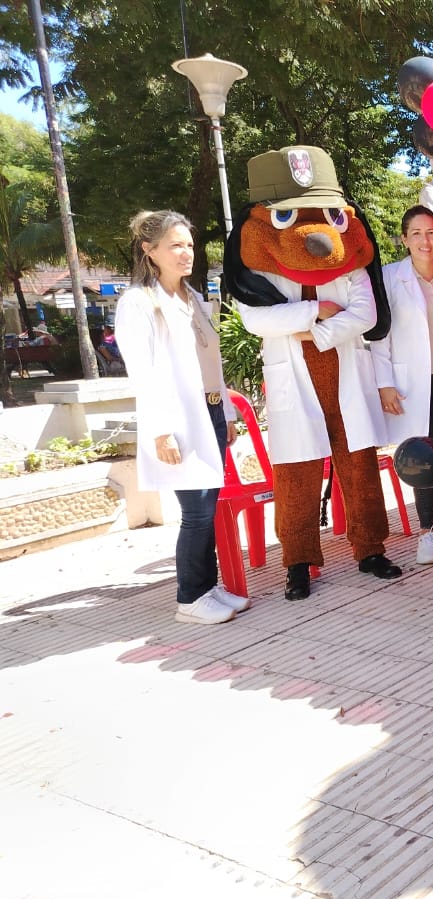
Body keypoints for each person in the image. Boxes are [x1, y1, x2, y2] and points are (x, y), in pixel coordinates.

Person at [228, 144, 401, 601]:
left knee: (360, 466)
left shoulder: (346, 265)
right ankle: (298, 561)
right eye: (290, 215)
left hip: (346, 380)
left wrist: (317, 331)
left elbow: (364, 313)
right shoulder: (263, 273)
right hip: (294, 385)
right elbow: (256, 319)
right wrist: (316, 310)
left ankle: (369, 549)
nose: (315, 232)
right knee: (295, 472)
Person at [113, 210, 250, 625]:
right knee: (195, 512)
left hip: (208, 412)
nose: (185, 252)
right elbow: (143, 373)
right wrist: (160, 432)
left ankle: (207, 588)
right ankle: (190, 597)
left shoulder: (191, 298)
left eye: (189, 244)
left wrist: (225, 413)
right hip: (176, 420)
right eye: (175, 245)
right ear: (149, 250)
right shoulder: (139, 302)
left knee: (208, 507)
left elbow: (213, 365)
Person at [373, 205, 433, 565]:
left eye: (431, 233)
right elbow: (378, 338)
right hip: (414, 383)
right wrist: (384, 384)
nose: (424, 241)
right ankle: (426, 533)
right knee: (422, 458)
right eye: (416, 234)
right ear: (404, 239)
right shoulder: (389, 278)